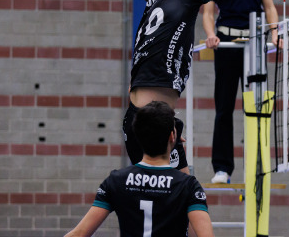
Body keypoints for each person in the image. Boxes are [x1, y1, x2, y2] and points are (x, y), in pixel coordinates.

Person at [123, 0, 289, 176]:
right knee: (175, 194)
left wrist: (165, 120)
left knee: (184, 191)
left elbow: (135, 79)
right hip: (151, 121)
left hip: (145, 117)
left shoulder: (149, 16)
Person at [202, 0, 282, 184]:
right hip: (226, 43)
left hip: (255, 44)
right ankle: (222, 168)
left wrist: (275, 33)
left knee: (257, 106)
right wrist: (211, 34)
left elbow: (269, 7)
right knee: (224, 107)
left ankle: (258, 165)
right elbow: (208, 12)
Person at [65, 101, 214, 237]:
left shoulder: (116, 181)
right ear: (172, 136)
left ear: (137, 135)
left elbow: (79, 234)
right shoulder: (188, 186)